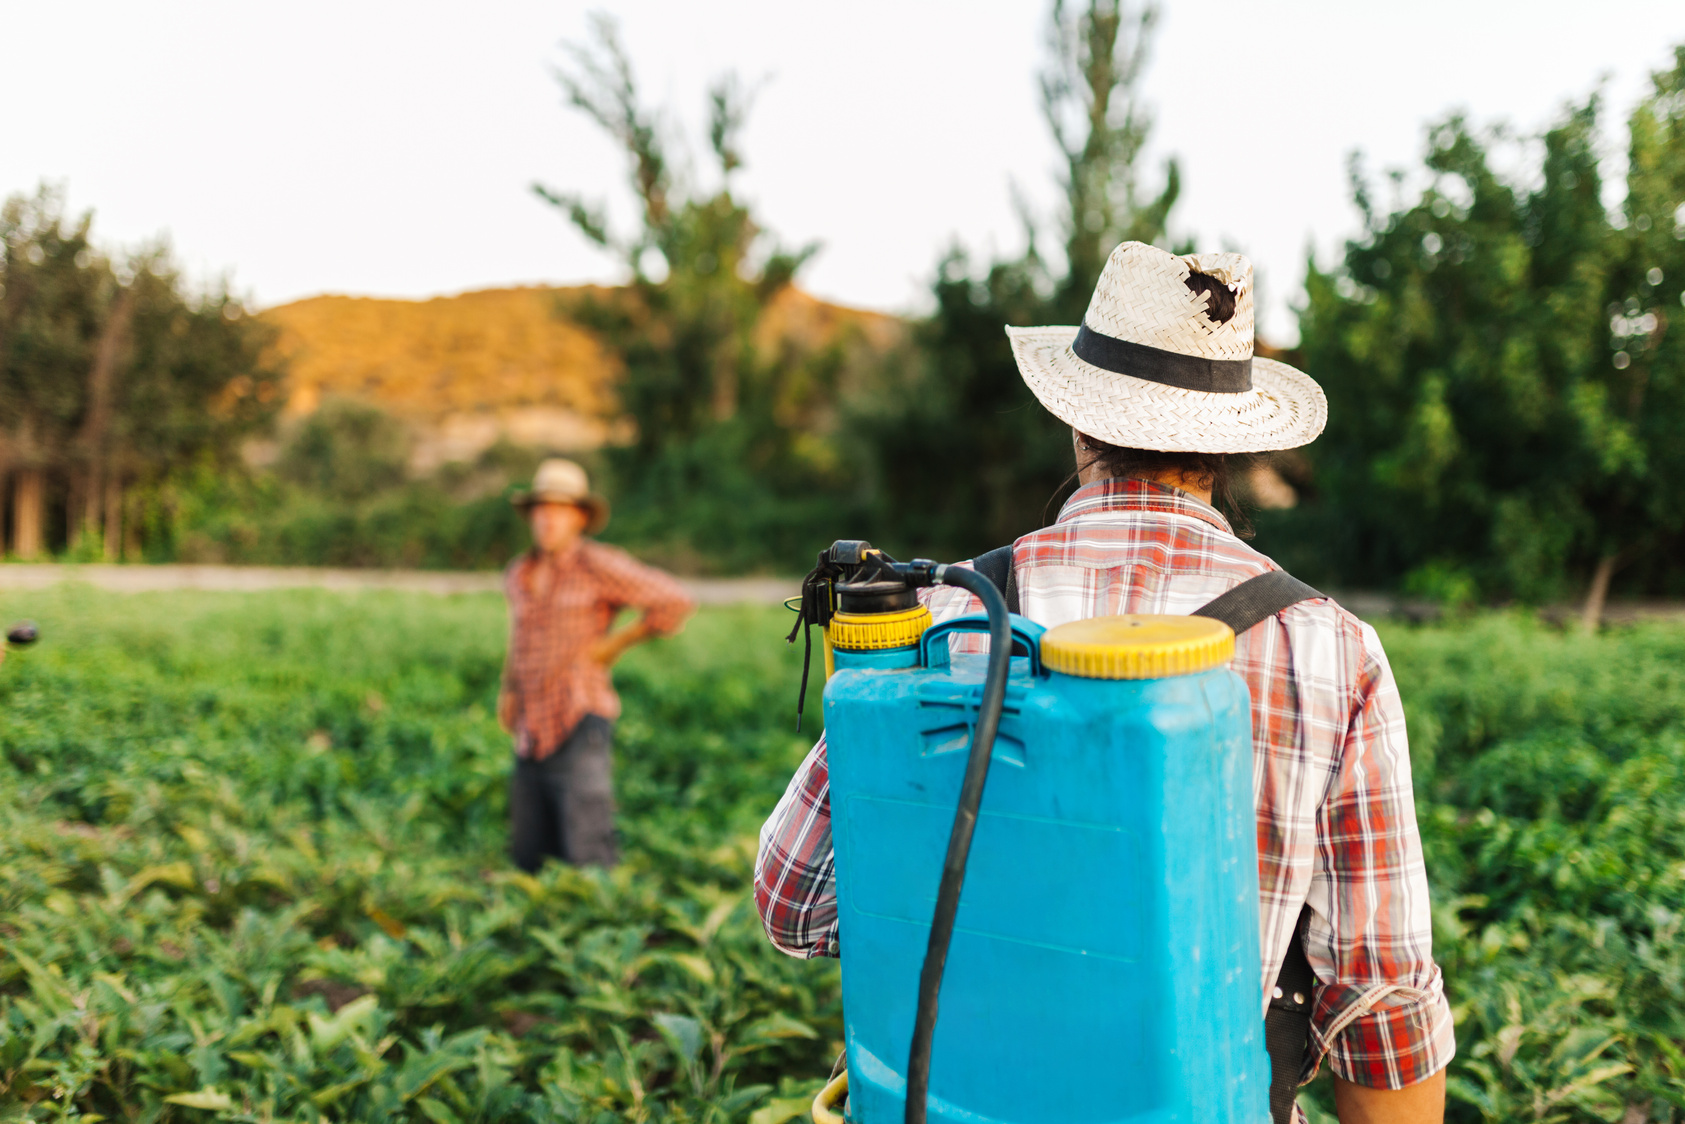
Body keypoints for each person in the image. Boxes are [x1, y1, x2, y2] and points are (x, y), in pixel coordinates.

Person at [753, 243, 1453, 1124]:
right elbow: (1378, 1000)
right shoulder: (1329, 647)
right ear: (1228, 445)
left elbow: (793, 903)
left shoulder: (937, 615)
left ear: (1076, 423)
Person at [499, 458, 695, 871]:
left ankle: (599, 925)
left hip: (579, 718)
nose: (549, 520)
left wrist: (616, 643)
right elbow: (520, 641)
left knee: (587, 849)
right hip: (531, 726)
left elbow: (673, 600)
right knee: (529, 853)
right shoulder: (520, 572)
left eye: (560, 510)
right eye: (541, 509)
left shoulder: (596, 565)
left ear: (580, 517)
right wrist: (509, 690)